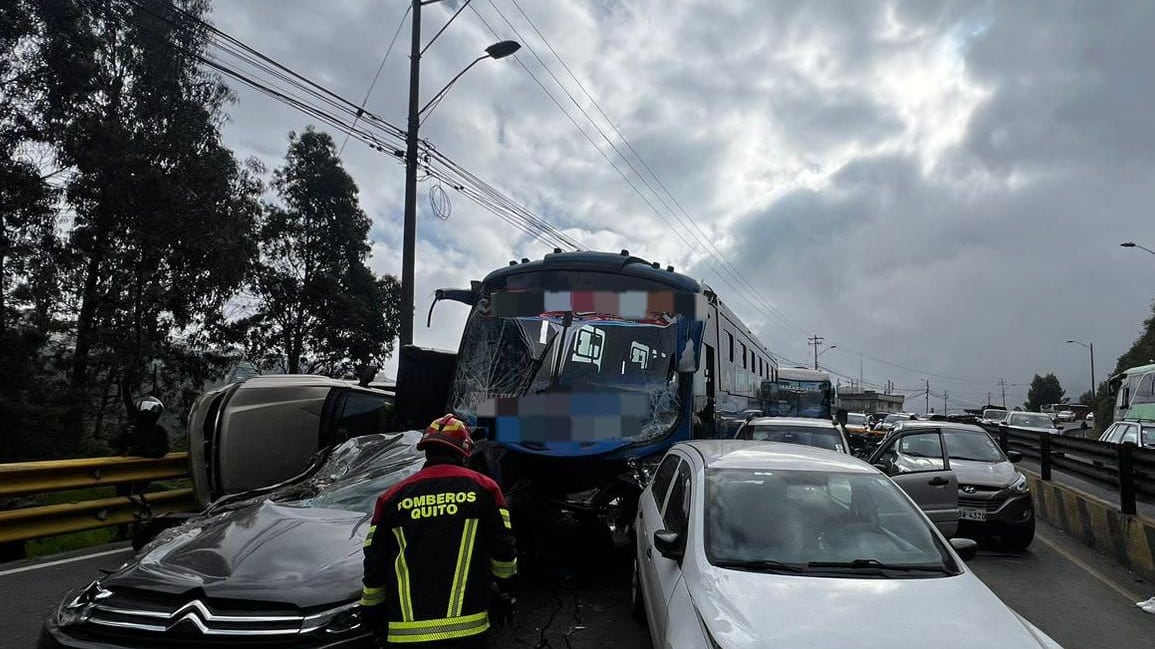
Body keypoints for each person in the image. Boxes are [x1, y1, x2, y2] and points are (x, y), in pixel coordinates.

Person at [361, 414, 518, 648]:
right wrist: (507, 591)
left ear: (426, 451)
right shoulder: (484, 489)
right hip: (468, 628)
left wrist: (371, 614)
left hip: (405, 633)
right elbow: (503, 550)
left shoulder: (392, 497)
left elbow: (374, 561)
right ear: (464, 452)